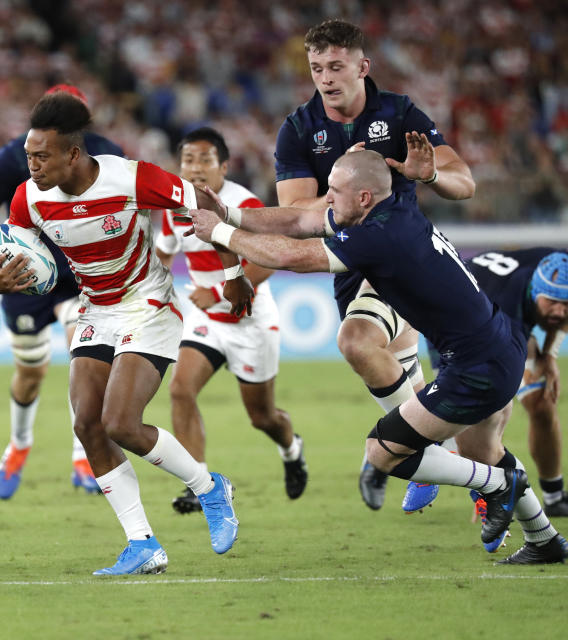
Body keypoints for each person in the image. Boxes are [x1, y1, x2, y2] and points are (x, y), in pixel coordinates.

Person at [188, 149, 568, 564]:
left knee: (383, 452)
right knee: (479, 450)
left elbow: (290, 257)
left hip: (478, 366)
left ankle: (499, 485)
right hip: (491, 352)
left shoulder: (379, 239)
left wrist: (219, 234)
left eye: (334, 191)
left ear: (365, 197)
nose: (327, 199)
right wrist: (228, 213)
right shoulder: (391, 209)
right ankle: (544, 539)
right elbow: (299, 221)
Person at [0, 91, 250, 575]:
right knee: (87, 424)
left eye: (41, 156)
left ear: (72, 153)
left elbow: (206, 207)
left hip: (147, 304)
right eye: (28, 156)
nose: (32, 166)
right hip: (96, 309)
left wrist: (233, 276)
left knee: (121, 424)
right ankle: (142, 544)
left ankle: (210, 487)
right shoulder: (29, 196)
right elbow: (10, 253)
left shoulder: (130, 177)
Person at [274, 18, 476, 511]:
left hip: (404, 255)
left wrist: (431, 176)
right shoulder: (299, 129)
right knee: (403, 369)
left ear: (362, 67)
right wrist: (346, 181)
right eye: (317, 67)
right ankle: (455, 464)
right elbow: (299, 215)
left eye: (336, 66)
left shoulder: (400, 112)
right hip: (350, 265)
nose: (326, 77)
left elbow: (463, 183)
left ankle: (422, 455)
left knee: (357, 341)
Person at [0, 84, 123, 499]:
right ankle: (18, 444)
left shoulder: (109, 155)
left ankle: (82, 454)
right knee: (30, 374)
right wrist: (5, 254)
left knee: (84, 357)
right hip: (24, 280)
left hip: (80, 277)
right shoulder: (16, 155)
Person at [155, 126, 306, 513]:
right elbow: (164, 251)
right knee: (180, 390)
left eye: (205, 160)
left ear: (223, 166)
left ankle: (291, 448)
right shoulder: (174, 205)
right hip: (207, 319)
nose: (195, 168)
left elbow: (270, 258)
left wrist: (223, 290)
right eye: (188, 160)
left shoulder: (246, 204)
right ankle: (199, 483)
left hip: (250, 321)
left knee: (262, 418)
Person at [428, 248, 568, 517]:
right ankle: (486, 488)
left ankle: (553, 496)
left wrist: (549, 354)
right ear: (538, 291)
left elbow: (559, 313)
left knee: (540, 403)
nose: (560, 310)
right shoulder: (508, 302)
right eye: (552, 301)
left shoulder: (557, 273)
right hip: (453, 321)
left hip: (505, 313)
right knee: (473, 413)